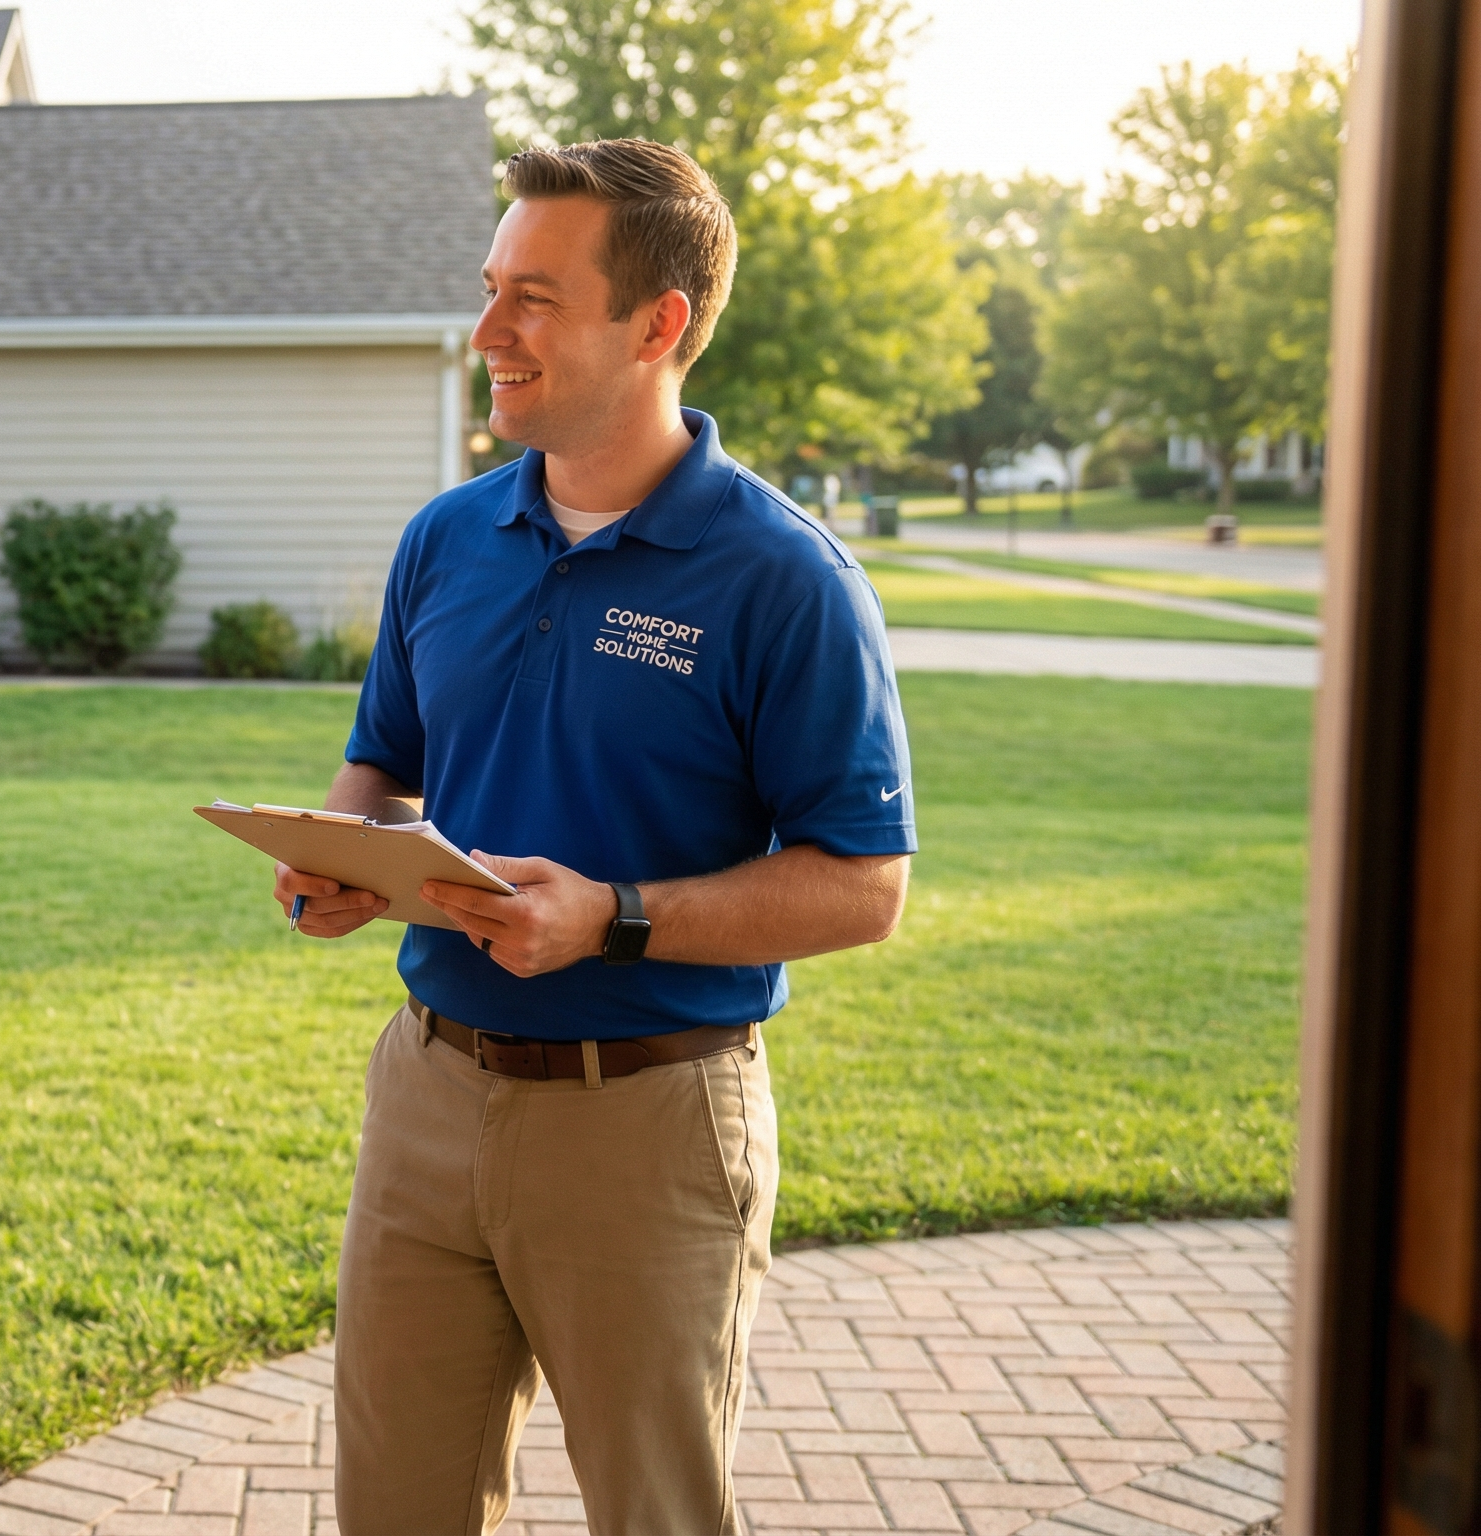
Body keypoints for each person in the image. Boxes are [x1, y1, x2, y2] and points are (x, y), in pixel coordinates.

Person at [276, 138, 916, 1535]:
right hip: (428, 1094)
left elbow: (865, 887)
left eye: (536, 298)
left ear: (658, 324)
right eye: (491, 288)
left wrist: (613, 914)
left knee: (656, 1514)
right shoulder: (447, 539)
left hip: (651, 1119)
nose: (489, 332)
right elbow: (388, 759)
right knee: (395, 1509)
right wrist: (341, 850)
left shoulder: (785, 578)